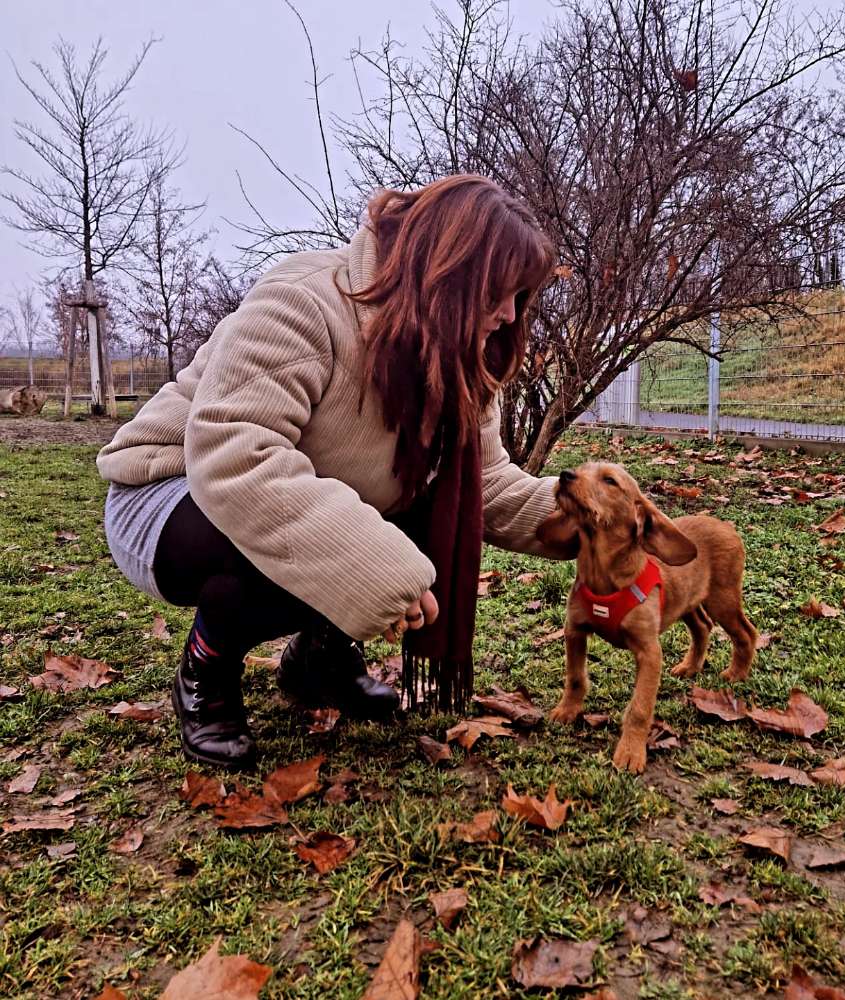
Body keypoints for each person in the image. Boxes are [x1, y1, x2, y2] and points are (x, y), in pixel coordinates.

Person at [97, 174, 568, 771]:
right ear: (447, 271)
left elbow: (488, 486)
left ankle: (320, 656)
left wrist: (588, 519)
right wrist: (373, 560)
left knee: (424, 508)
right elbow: (235, 455)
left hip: (284, 491)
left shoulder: (461, 359)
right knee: (304, 533)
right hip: (171, 496)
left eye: (520, 297)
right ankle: (208, 667)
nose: (507, 314)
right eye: (497, 291)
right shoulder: (305, 300)